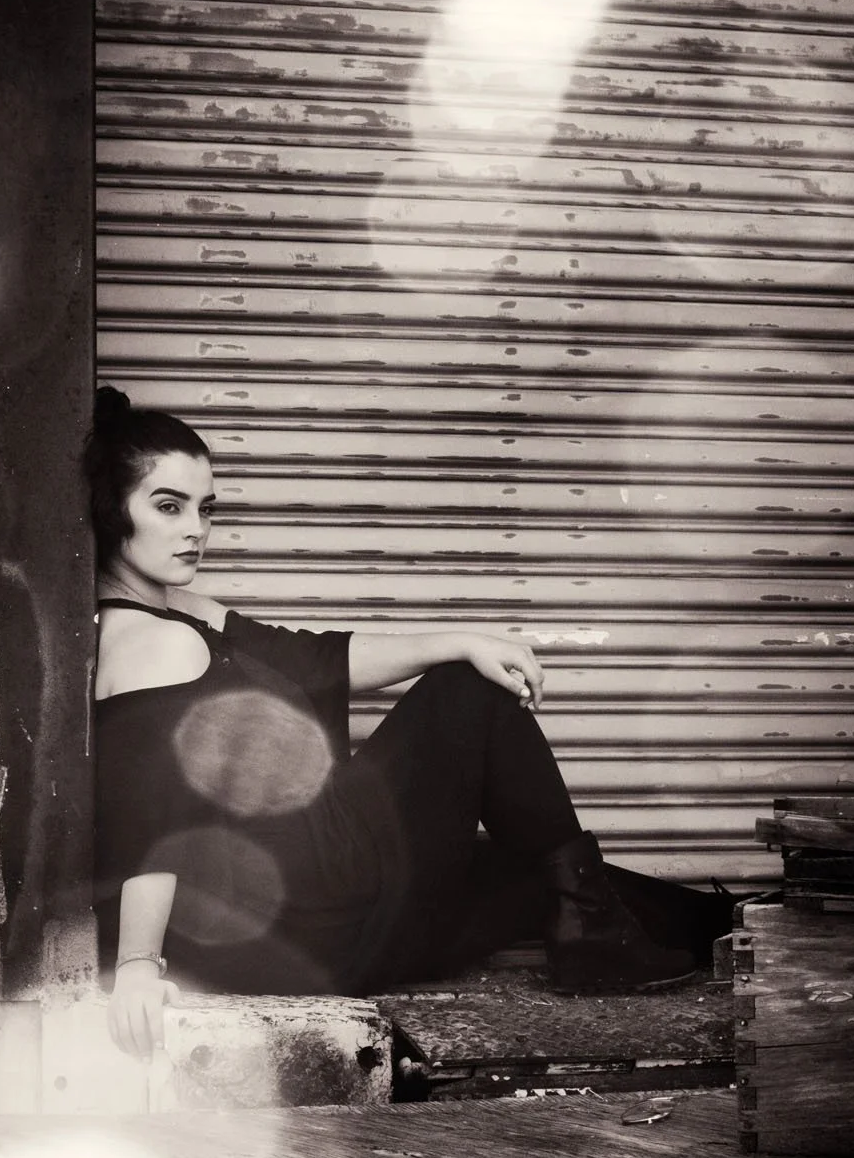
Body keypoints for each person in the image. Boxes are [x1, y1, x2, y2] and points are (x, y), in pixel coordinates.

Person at [87, 386, 731, 1058]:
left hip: (324, 914)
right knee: (467, 696)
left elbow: (320, 659)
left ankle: (718, 927)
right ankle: (603, 936)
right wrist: (137, 966)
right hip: (319, 909)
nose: (195, 528)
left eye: (205, 507)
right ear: (112, 513)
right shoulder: (148, 645)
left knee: (525, 875)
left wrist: (457, 637)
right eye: (167, 506)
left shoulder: (186, 614)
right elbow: (148, 821)